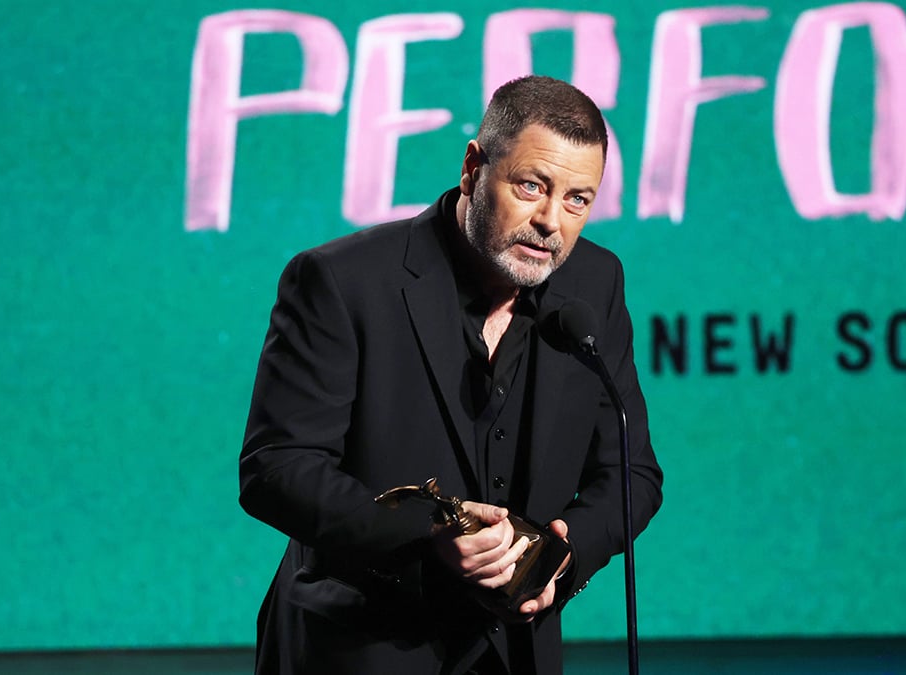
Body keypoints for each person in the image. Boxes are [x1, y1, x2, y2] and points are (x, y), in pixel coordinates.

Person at [239, 75, 663, 675]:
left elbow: (632, 474)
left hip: (518, 652)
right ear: (473, 168)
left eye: (577, 199)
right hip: (360, 647)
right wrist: (424, 539)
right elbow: (277, 468)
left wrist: (563, 558)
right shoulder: (342, 281)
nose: (551, 221)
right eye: (532, 186)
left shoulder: (594, 284)